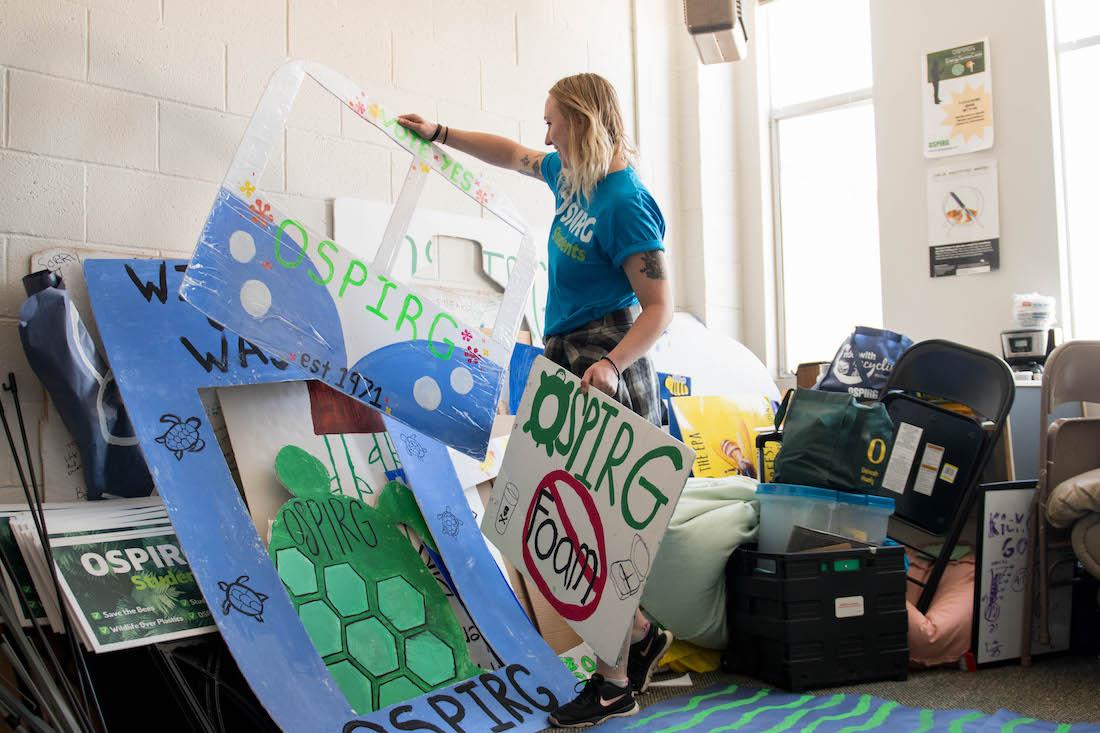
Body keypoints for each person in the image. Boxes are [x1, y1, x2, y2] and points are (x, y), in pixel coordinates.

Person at [399, 73, 675, 728]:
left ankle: (613, 683)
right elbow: (512, 155)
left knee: (592, 530)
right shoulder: (569, 175)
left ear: (582, 120)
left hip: (606, 359)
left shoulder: (626, 201)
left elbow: (661, 308)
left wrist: (610, 364)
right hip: (566, 355)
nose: (545, 134)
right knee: (547, 512)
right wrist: (440, 133)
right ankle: (636, 635)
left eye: (553, 121)